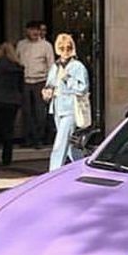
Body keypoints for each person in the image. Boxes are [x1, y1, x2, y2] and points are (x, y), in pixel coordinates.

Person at [43, 33, 89, 171]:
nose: (65, 51)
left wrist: (67, 79)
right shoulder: (55, 66)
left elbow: (83, 88)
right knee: (70, 146)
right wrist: (47, 91)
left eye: (68, 48)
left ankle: (53, 174)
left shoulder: (77, 66)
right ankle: (83, 167)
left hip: (71, 108)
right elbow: (50, 84)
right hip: (57, 107)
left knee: (60, 144)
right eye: (61, 48)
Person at [16, 20, 54, 148]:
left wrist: (50, 84)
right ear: (27, 31)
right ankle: (28, 138)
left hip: (40, 81)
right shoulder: (21, 45)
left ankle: (39, 139)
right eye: (31, 29)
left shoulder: (46, 45)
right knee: (26, 112)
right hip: (25, 81)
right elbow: (17, 61)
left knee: (40, 112)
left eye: (36, 30)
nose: (34, 32)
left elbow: (51, 65)